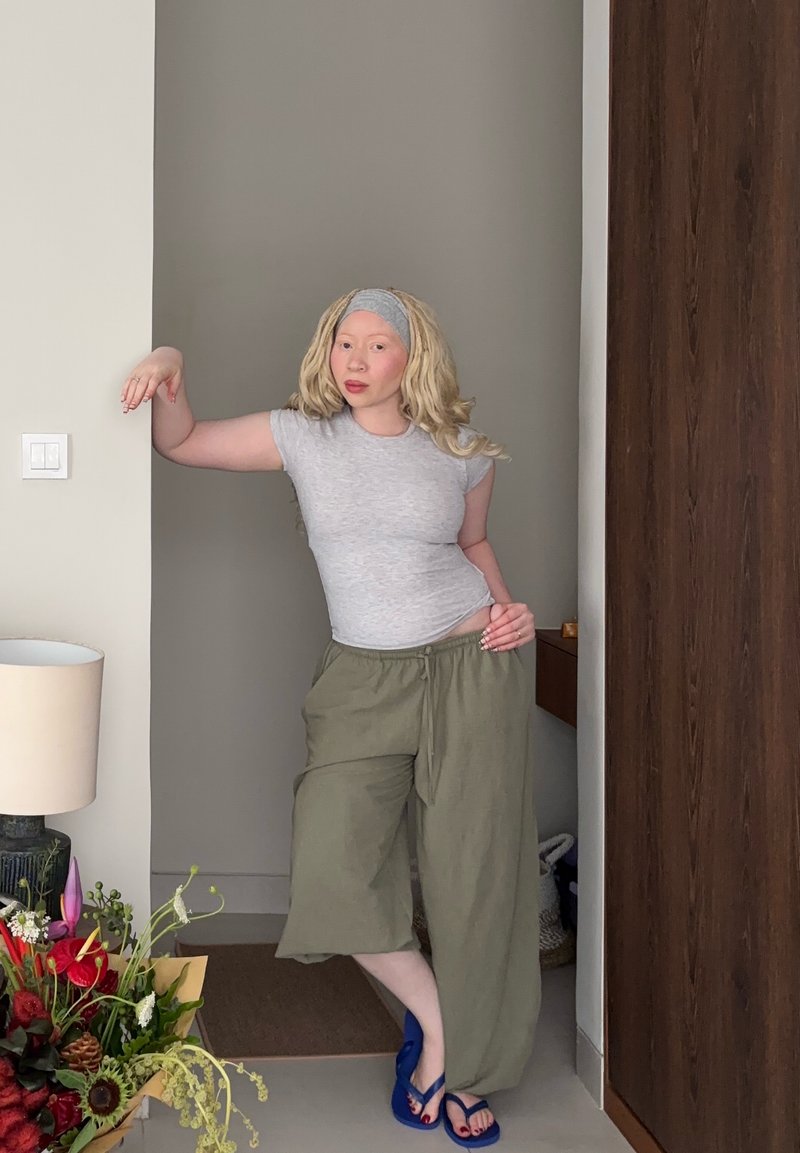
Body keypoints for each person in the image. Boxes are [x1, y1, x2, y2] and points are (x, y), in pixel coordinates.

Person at [121, 287, 540, 1147]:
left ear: (411, 358)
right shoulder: (301, 436)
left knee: (478, 875)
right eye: (345, 341)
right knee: (334, 865)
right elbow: (183, 443)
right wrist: (171, 366)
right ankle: (439, 1023)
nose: (355, 359)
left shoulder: (460, 449)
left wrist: (509, 609)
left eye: (377, 344)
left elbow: (473, 546)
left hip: (472, 667)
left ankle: (464, 1071)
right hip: (362, 679)